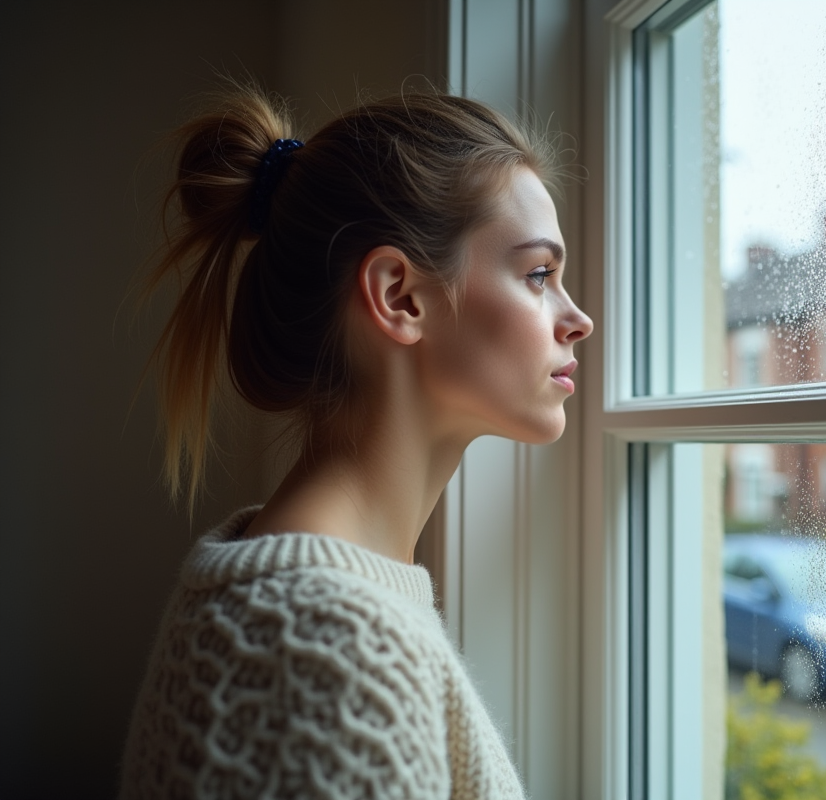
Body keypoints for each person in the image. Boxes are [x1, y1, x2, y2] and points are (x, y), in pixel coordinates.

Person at [120, 84, 592, 799]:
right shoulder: (324, 643)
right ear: (400, 296)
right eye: (538, 275)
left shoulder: (319, 604)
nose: (578, 317)